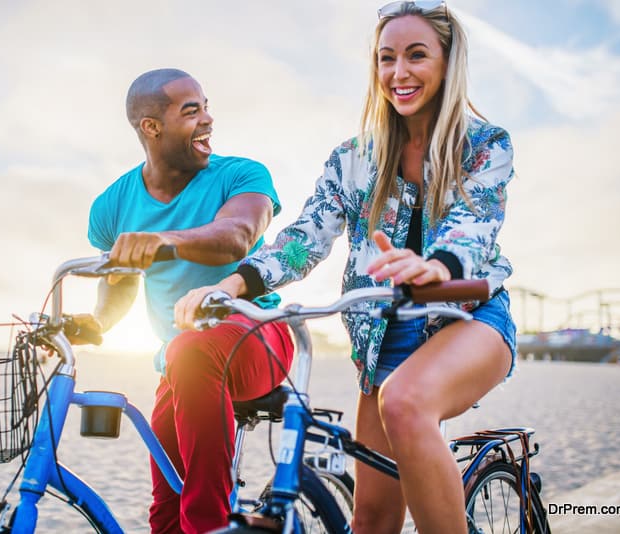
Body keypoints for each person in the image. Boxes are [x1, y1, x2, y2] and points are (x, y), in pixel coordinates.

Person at [174, 3, 516, 533]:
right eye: (386, 58)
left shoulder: (486, 146)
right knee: (372, 518)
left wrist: (435, 265)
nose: (398, 73)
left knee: (403, 403)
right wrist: (233, 282)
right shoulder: (353, 158)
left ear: (448, 63)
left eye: (416, 55)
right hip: (383, 342)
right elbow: (305, 237)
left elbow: (474, 225)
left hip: (467, 320)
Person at [82, 68, 294, 533]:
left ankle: (211, 528)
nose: (208, 119)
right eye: (191, 110)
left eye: (206, 106)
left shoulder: (241, 174)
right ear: (151, 127)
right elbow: (120, 282)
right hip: (178, 360)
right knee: (165, 509)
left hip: (257, 334)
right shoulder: (113, 205)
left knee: (189, 354)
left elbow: (237, 237)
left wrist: (163, 240)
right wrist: (96, 323)